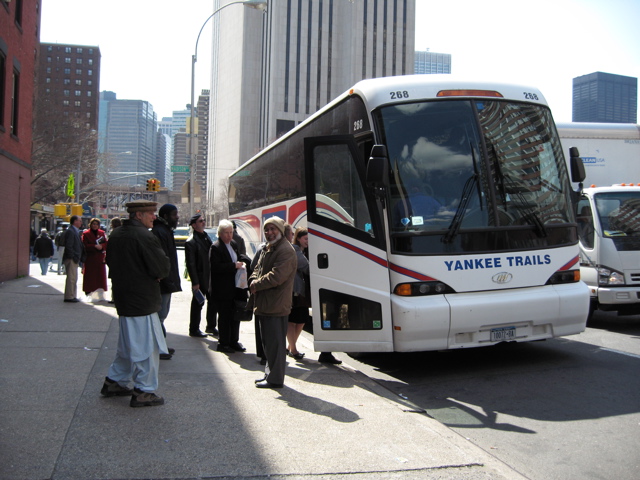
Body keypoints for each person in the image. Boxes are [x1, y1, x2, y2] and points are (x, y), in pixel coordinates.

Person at [101, 200, 171, 408]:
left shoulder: (116, 234)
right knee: (146, 347)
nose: (154, 217)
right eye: (150, 213)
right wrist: (156, 274)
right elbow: (161, 268)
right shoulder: (144, 236)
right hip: (142, 300)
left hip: (125, 298)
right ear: (138, 215)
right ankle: (144, 390)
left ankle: (114, 381)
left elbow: (111, 263)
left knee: (127, 345)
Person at [249, 217, 297, 389]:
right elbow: (257, 268)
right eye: (267, 230)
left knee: (275, 345)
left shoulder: (285, 250)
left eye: (273, 229)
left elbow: (277, 276)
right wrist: (253, 279)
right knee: (268, 345)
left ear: (280, 230)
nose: (269, 233)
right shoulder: (269, 247)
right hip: (265, 303)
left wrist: (256, 284)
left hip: (276, 305)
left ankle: (275, 379)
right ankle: (270, 375)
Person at [210, 219, 249, 353]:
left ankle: (234, 341)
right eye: (226, 233)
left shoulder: (233, 244)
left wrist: (242, 262)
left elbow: (238, 257)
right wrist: (233, 266)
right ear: (220, 233)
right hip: (222, 289)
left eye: (231, 232)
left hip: (235, 287)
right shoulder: (215, 247)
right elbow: (215, 267)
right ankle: (224, 343)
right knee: (225, 317)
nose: (229, 235)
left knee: (235, 315)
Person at [152, 204, 184, 359]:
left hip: (166, 281)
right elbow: (161, 259)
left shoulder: (164, 231)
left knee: (162, 314)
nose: (177, 217)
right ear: (165, 216)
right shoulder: (160, 232)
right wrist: (165, 278)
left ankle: (161, 345)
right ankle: (158, 348)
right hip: (163, 282)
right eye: (174, 214)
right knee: (160, 315)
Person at [185, 214, 217, 338]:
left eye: (203, 220)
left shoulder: (205, 237)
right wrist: (195, 282)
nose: (203, 222)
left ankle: (211, 326)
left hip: (209, 276)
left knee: (213, 301)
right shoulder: (191, 241)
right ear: (194, 225)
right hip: (200, 277)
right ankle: (194, 329)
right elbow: (191, 264)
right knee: (198, 303)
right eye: (200, 221)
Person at [287, 227, 309, 360]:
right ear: (298, 238)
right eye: (306, 239)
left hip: (300, 290)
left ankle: (291, 346)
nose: (308, 241)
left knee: (301, 320)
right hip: (295, 290)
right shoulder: (296, 250)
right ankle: (293, 349)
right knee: (293, 320)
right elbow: (307, 268)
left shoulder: (302, 250)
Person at [81, 218, 108, 301]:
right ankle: (89, 292)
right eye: (93, 224)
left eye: (96, 224)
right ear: (90, 225)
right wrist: (93, 246)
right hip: (90, 257)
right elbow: (84, 245)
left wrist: (102, 246)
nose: (95, 226)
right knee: (90, 275)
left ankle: (100, 292)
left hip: (99, 257)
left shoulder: (102, 233)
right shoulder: (86, 234)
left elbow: (106, 243)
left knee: (100, 275)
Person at [62, 215, 85, 303]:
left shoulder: (75, 231)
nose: (81, 222)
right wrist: (73, 256)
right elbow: (69, 245)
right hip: (71, 258)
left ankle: (72, 295)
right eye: (80, 221)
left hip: (75, 258)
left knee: (74, 278)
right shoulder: (71, 231)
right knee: (71, 278)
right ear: (75, 221)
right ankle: (69, 296)